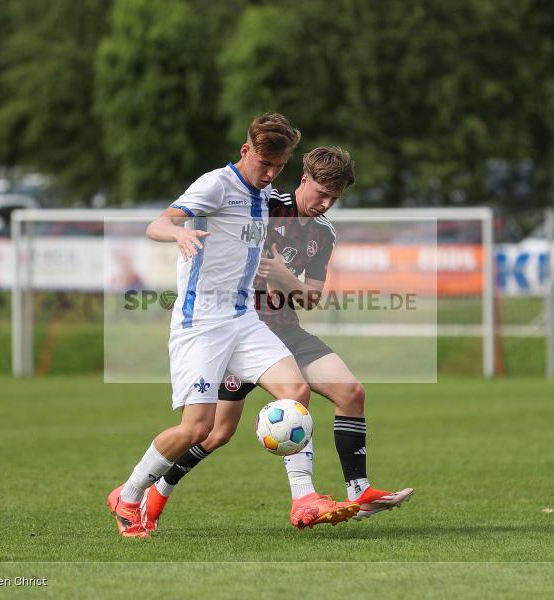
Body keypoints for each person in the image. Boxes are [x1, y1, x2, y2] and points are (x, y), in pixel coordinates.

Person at [106, 115, 357, 538]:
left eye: (278, 167)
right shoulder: (216, 185)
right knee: (198, 430)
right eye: (265, 165)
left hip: (242, 318)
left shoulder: (264, 195)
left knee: (295, 391)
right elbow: (157, 223)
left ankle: (304, 497)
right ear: (245, 152)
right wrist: (179, 236)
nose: (271, 174)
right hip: (200, 321)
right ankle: (128, 494)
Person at [142, 147, 413, 532]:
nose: (325, 203)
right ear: (303, 179)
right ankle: (158, 491)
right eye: (321, 193)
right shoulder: (265, 208)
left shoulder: (323, 232)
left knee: (351, 392)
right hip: (239, 331)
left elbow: (312, 297)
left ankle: (357, 490)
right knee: (216, 433)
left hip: (286, 332)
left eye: (334, 198)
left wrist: (287, 278)